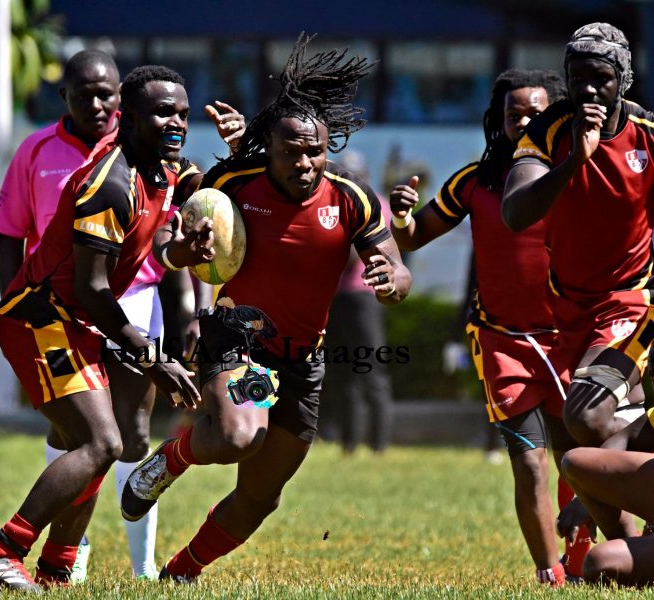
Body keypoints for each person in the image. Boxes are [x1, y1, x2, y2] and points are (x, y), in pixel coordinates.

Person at [119, 34, 411, 583]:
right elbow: (168, 243)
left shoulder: (353, 197)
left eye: (315, 151)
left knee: (261, 495)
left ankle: (180, 574)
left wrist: (390, 278)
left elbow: (396, 267)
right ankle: (170, 459)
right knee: (236, 436)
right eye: (291, 151)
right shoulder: (233, 183)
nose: (305, 162)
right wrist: (184, 251)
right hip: (242, 339)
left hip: (305, 357)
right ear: (269, 148)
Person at [0, 50, 243, 582]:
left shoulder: (165, 166)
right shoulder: (111, 182)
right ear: (127, 117)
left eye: (182, 112)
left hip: (75, 319)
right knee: (100, 442)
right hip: (41, 317)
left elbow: (208, 192)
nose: (175, 123)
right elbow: (94, 289)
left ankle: (58, 567)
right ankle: (2, 554)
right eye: (161, 114)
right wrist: (153, 359)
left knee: (107, 442)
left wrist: (238, 157)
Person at [391, 69, 590, 586]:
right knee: (529, 464)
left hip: (569, 338)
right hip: (501, 339)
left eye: (535, 113)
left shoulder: (578, 175)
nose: (523, 121)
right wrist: (403, 219)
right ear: (497, 121)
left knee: (578, 457)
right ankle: (552, 576)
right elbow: (415, 238)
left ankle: (586, 557)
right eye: (513, 114)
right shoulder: (473, 181)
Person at [502, 23, 654, 451]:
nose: (589, 90)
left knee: (585, 415)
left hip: (633, 297)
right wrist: (574, 161)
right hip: (566, 302)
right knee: (577, 438)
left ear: (624, 80)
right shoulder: (547, 132)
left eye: (601, 79)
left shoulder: (653, 133)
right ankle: (643, 497)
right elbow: (515, 213)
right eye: (578, 78)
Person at [559, 286, 654, 586]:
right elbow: (629, 438)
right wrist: (586, 496)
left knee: (601, 562)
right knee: (577, 462)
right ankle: (643, 547)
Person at [321, 148, 394, 454]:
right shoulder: (333, 207)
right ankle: (349, 443)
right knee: (342, 373)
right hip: (337, 299)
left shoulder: (377, 206)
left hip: (364, 300)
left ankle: (378, 444)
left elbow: (352, 257)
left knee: (371, 371)